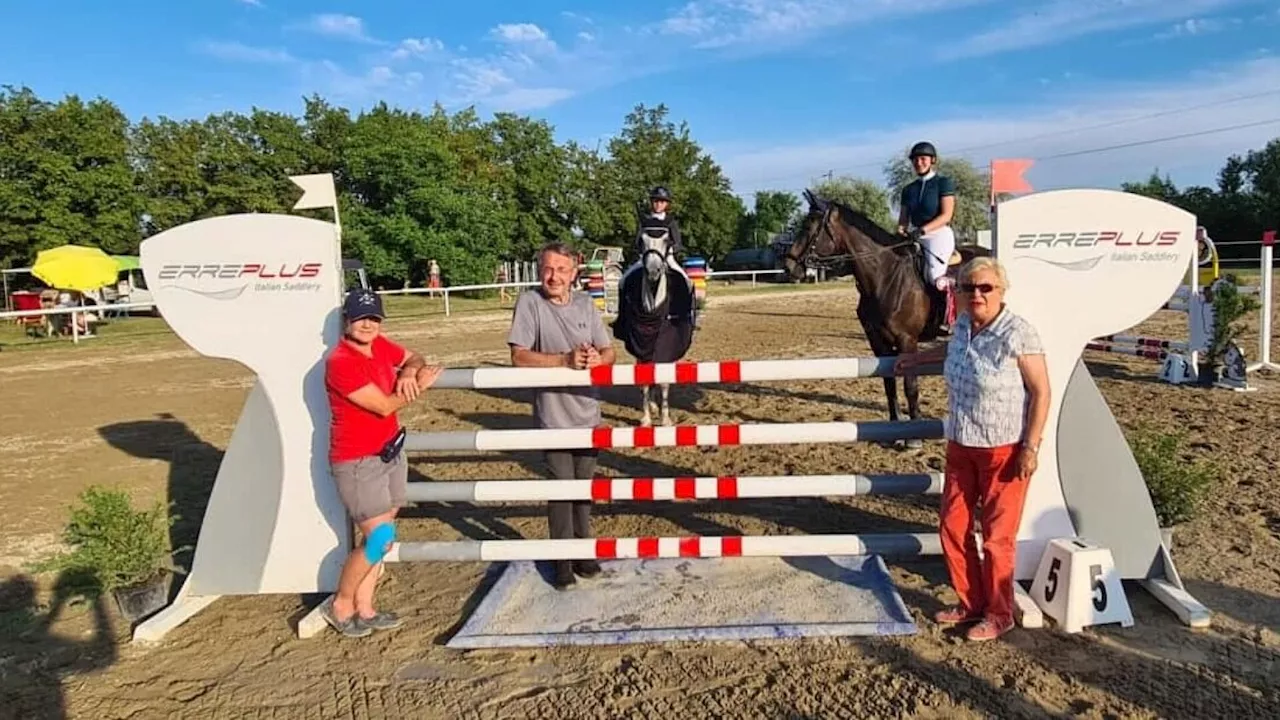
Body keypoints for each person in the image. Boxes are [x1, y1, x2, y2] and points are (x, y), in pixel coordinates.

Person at [895, 257, 1050, 642]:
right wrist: (917, 358)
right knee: (952, 527)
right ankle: (971, 602)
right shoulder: (963, 324)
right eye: (968, 288)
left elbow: (1041, 391)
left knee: (997, 538)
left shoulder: (1019, 333)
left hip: (1004, 449)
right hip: (961, 444)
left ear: (1001, 291)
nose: (976, 294)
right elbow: (953, 351)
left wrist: (1030, 446)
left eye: (985, 288)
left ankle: (1000, 613)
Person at [318, 288, 443, 638]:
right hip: (358, 462)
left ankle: (365, 607)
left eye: (374, 318)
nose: (368, 324)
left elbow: (414, 355)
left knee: (378, 537)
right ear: (346, 321)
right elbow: (383, 406)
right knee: (381, 539)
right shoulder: (340, 363)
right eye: (360, 317)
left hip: (388, 453)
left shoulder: (381, 345)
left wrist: (407, 372)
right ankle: (340, 604)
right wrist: (419, 383)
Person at [507, 241, 616, 590]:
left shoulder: (586, 303)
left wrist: (600, 360)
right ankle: (562, 562)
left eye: (561, 270)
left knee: (583, 491)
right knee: (561, 490)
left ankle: (584, 552)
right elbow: (519, 357)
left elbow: (609, 350)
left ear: (574, 274)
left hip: (588, 413)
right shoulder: (529, 302)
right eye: (548, 269)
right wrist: (563, 361)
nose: (553, 276)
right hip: (552, 417)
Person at [897, 141, 957, 292]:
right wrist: (901, 231)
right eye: (915, 160)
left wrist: (922, 230)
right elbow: (903, 220)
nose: (919, 163)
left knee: (934, 276)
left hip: (938, 234)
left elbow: (946, 215)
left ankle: (948, 312)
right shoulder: (908, 189)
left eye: (923, 159)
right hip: (915, 235)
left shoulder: (943, 183)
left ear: (932, 160)